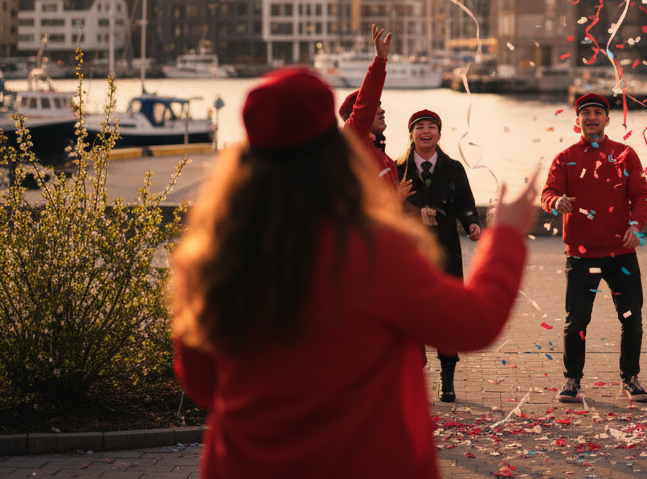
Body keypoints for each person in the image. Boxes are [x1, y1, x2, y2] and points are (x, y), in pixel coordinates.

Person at [171, 66, 534, 479]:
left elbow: (200, 381)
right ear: (333, 154)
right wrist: (503, 236)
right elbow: (474, 323)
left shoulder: (213, 254)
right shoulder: (372, 249)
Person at [540, 91, 647, 404]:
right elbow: (548, 192)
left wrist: (636, 227)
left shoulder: (625, 154)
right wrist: (555, 201)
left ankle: (630, 377)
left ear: (607, 119)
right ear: (577, 122)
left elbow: (641, 195)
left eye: (597, 113)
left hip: (622, 254)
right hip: (581, 254)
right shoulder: (565, 158)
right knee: (576, 321)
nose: (591, 118)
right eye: (585, 113)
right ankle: (572, 380)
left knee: (632, 320)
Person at [397, 108, 482, 403]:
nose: (425, 131)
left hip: (446, 251)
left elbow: (465, 203)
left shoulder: (454, 168)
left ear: (439, 134)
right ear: (412, 134)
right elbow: (383, 206)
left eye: (431, 126)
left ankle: (448, 378)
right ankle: (413, 377)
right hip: (411, 254)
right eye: (419, 126)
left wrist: (472, 223)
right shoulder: (397, 169)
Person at [339, 24, 413, 203]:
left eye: (380, 106)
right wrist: (380, 60)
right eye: (374, 107)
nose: (382, 111)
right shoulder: (354, 139)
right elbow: (365, 103)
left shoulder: (383, 157)